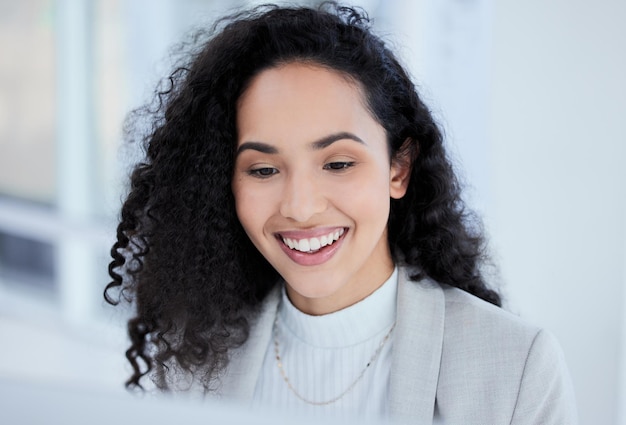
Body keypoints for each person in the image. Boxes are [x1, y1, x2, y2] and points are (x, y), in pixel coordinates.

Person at [105, 3, 577, 423]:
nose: (300, 207)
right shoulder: (194, 362)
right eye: (264, 169)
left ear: (399, 168)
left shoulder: (515, 367)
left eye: (338, 163)